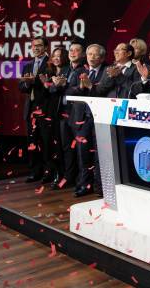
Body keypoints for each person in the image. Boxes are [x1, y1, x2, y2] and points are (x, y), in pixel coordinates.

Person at [66, 44, 107, 197]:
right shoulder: (80, 71)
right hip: (82, 118)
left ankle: (100, 187)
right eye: (89, 53)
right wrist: (81, 88)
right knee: (83, 154)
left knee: (99, 155)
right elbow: (69, 90)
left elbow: (105, 92)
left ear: (102, 57)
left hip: (99, 118)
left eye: (95, 54)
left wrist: (91, 87)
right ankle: (84, 185)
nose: (91, 57)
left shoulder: (106, 72)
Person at [48, 41, 86, 189]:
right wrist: (56, 85)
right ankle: (68, 177)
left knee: (79, 149)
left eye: (76, 50)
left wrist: (64, 87)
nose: (73, 52)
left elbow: (81, 91)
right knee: (66, 147)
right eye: (71, 50)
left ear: (82, 54)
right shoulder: (64, 69)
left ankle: (80, 180)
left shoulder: (85, 69)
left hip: (78, 115)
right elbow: (52, 91)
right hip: (63, 114)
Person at [18, 37, 52, 183]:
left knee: (46, 142)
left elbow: (51, 86)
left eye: (39, 45)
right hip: (31, 108)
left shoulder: (51, 64)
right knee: (32, 142)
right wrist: (26, 84)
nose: (36, 48)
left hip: (45, 108)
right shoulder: (28, 65)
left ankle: (48, 172)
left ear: (45, 47)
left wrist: (35, 82)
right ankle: (35, 171)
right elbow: (21, 87)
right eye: (33, 46)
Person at [40, 47, 69, 189]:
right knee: (50, 145)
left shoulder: (68, 71)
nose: (57, 58)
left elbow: (60, 89)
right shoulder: (49, 71)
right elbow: (47, 92)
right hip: (49, 112)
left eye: (59, 55)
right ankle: (54, 173)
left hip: (62, 113)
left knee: (61, 146)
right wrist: (46, 86)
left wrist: (50, 86)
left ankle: (63, 175)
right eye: (54, 56)